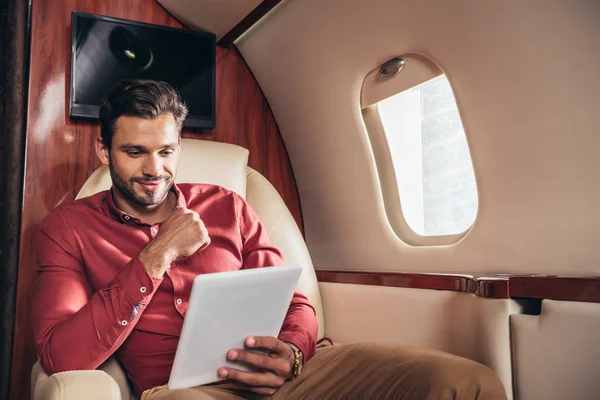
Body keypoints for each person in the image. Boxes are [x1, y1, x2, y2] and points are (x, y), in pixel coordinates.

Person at [32, 79, 507, 400]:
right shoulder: (67, 228)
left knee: (465, 382)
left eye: (166, 151)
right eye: (134, 152)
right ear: (103, 151)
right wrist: (157, 254)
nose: (154, 169)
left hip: (290, 375)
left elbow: (296, 301)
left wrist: (295, 353)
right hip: (185, 393)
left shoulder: (227, 205)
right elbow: (62, 354)